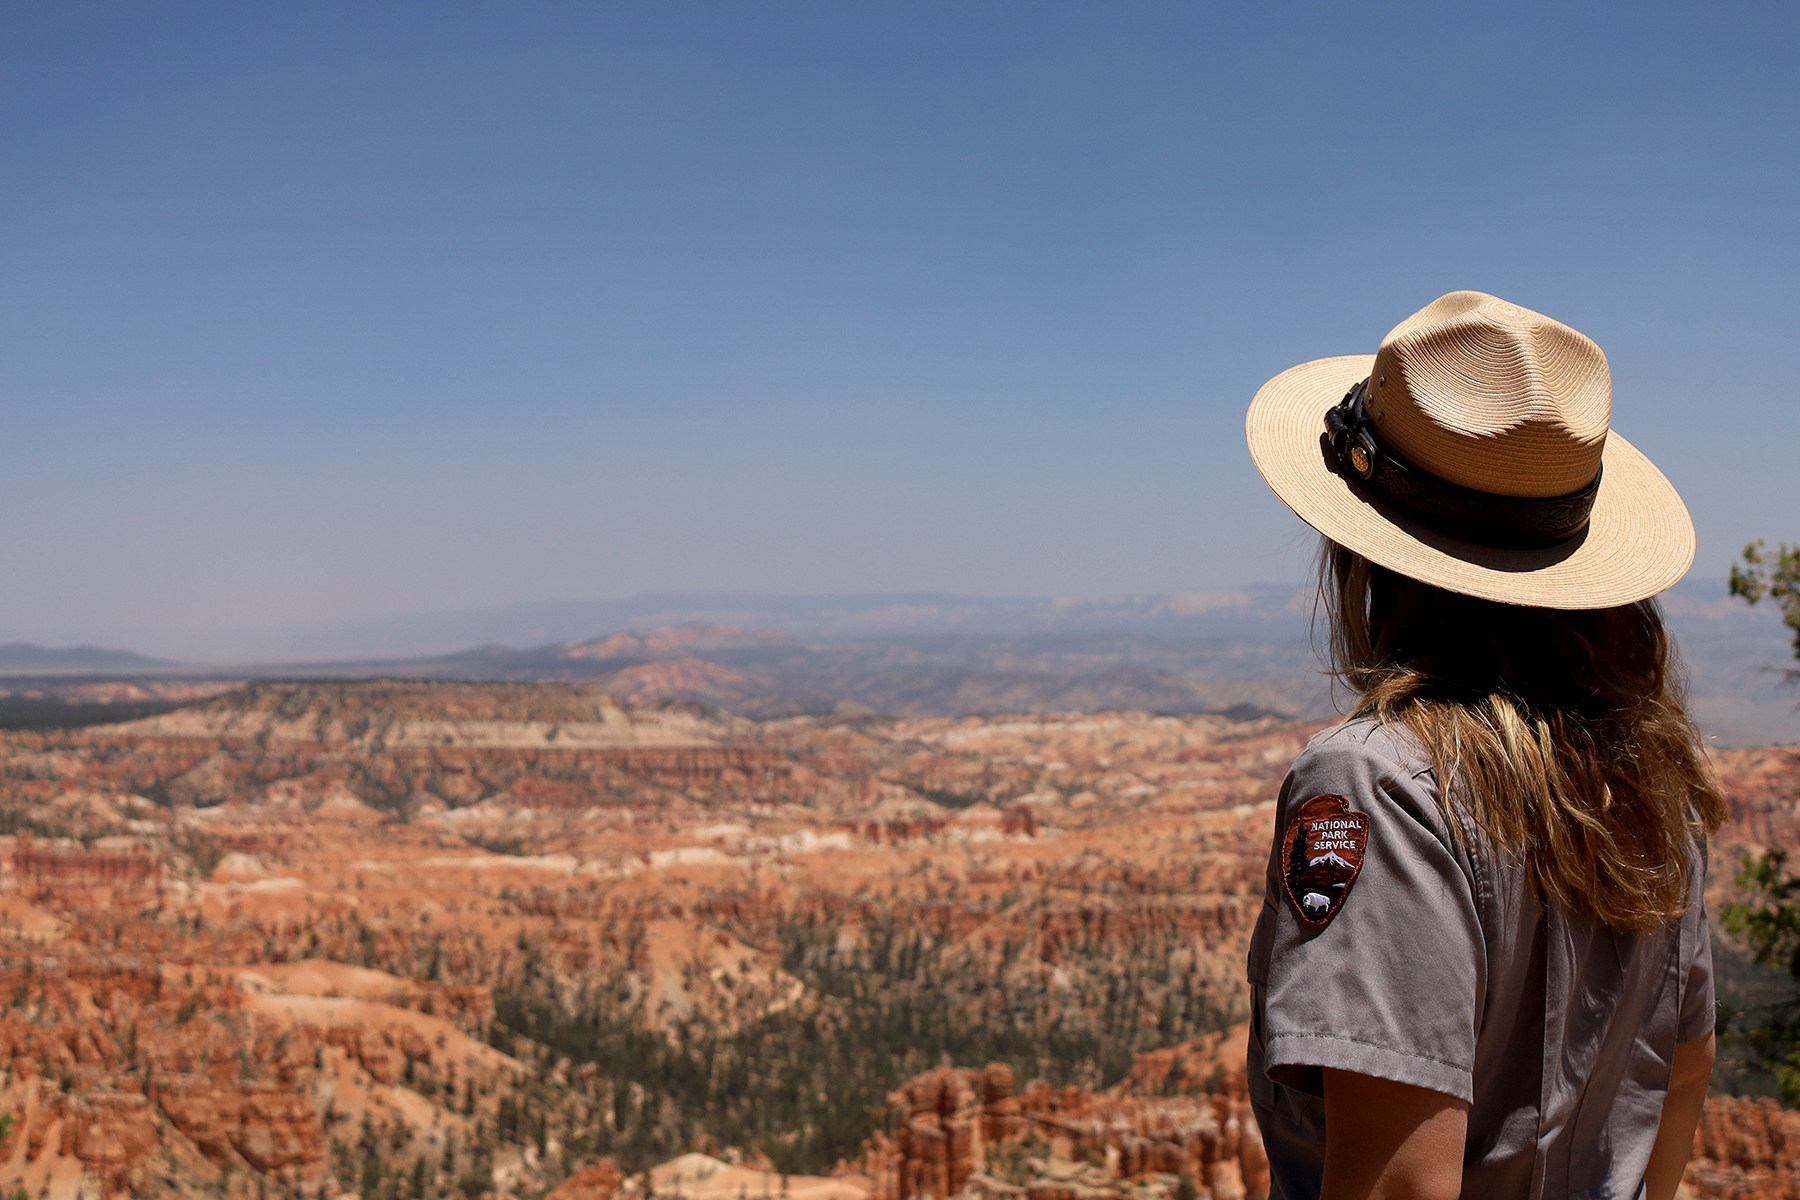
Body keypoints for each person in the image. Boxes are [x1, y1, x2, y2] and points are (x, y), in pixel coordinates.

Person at [1241, 292, 1726, 1200]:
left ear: (1370, 556)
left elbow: (1400, 1185)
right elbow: (1687, 1065)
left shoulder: (1378, 783)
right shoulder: (1645, 777)